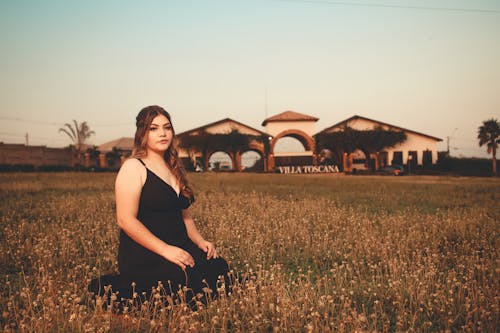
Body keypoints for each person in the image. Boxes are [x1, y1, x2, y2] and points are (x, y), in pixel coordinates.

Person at [88, 105, 229, 308]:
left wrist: (200, 241)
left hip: (178, 243)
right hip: (147, 251)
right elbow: (125, 220)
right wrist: (166, 250)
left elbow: (183, 213)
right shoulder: (134, 167)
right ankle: (114, 291)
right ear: (142, 133)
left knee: (217, 267)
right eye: (153, 128)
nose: (162, 133)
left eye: (167, 127)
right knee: (187, 284)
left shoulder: (172, 165)